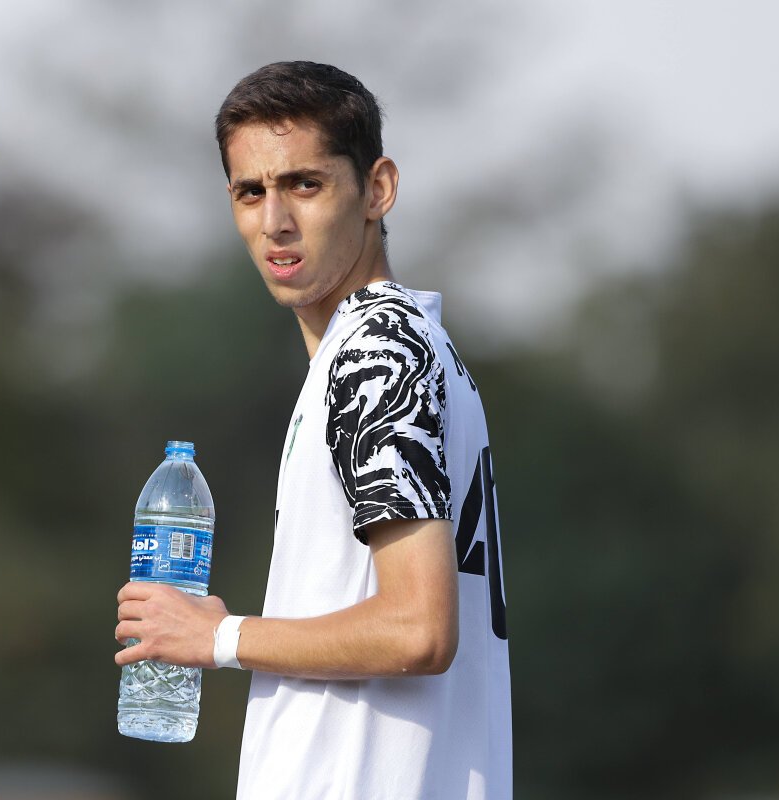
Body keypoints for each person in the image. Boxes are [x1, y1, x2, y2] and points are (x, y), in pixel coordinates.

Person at [115, 61, 512, 799]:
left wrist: (219, 637)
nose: (275, 221)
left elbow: (419, 629)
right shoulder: (397, 344)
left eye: (304, 184)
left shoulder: (376, 352)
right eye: (251, 191)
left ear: (377, 189)